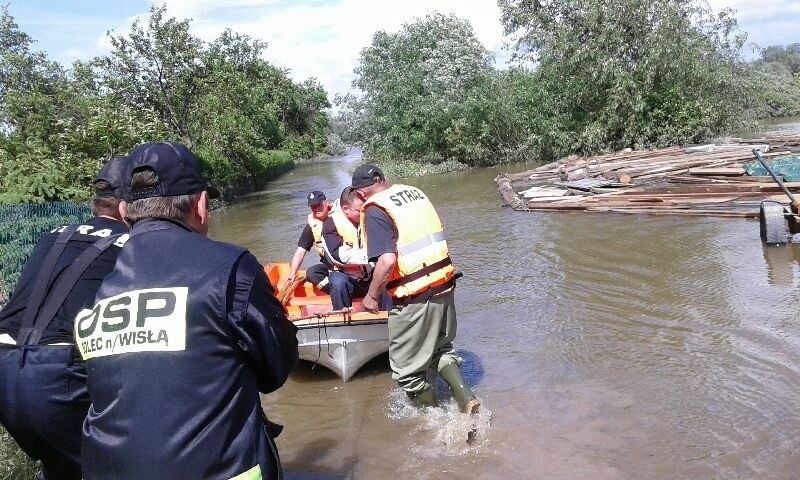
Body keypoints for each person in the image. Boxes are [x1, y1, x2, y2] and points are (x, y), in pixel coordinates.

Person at [74, 142, 298, 480]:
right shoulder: (233, 266)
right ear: (202, 205)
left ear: (124, 212)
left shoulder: (96, 278)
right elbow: (276, 368)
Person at [0, 157, 130, 480]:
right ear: (128, 209)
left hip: (4, 368)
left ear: (95, 203)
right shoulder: (131, 246)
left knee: (62, 465)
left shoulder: (54, 236)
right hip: (57, 374)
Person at [352, 164, 479, 413]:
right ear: (384, 179)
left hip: (415, 298)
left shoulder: (376, 209)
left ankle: (432, 422)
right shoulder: (414, 193)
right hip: (445, 285)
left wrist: (371, 296)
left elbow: (387, 261)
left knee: (406, 371)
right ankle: (467, 399)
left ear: (360, 193)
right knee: (440, 350)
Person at [319, 186, 373, 310]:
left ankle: (390, 314)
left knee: (385, 271)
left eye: (365, 208)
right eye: (359, 210)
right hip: (348, 280)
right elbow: (338, 256)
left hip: (370, 277)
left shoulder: (370, 217)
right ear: (346, 209)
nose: (364, 213)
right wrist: (374, 256)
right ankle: (341, 316)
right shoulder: (329, 224)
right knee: (338, 281)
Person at [284, 190, 335, 293]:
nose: (316, 209)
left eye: (318, 205)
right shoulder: (311, 227)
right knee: (312, 273)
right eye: (313, 207)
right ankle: (334, 291)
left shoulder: (339, 218)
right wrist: (293, 273)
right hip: (331, 267)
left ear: (326, 202)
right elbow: (300, 251)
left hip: (347, 266)